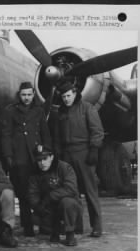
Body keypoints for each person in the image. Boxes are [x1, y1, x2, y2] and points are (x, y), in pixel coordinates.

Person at [1, 81, 52, 237]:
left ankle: (45, 225)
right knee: (23, 194)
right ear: (19, 95)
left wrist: (47, 153)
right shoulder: (10, 111)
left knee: (42, 192)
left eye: (29, 94)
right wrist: (8, 156)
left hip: (37, 157)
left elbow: (45, 133)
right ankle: (27, 226)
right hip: (20, 158)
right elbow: (6, 135)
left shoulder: (39, 111)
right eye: (24, 95)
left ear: (33, 94)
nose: (26, 98)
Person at [55, 81, 104, 237]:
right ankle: (76, 226)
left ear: (75, 93)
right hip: (67, 154)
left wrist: (94, 149)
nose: (66, 99)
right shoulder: (61, 112)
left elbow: (97, 131)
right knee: (71, 191)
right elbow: (58, 136)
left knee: (90, 191)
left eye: (68, 95)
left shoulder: (87, 108)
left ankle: (96, 226)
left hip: (84, 152)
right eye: (63, 96)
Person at [28, 145, 83, 246]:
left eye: (45, 159)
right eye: (39, 160)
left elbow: (71, 189)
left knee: (68, 202)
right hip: (49, 207)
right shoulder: (34, 173)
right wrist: (38, 206)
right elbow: (32, 194)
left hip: (67, 206)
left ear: (51, 157)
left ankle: (70, 233)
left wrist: (50, 196)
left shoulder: (64, 167)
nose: (42, 163)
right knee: (34, 216)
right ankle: (54, 230)